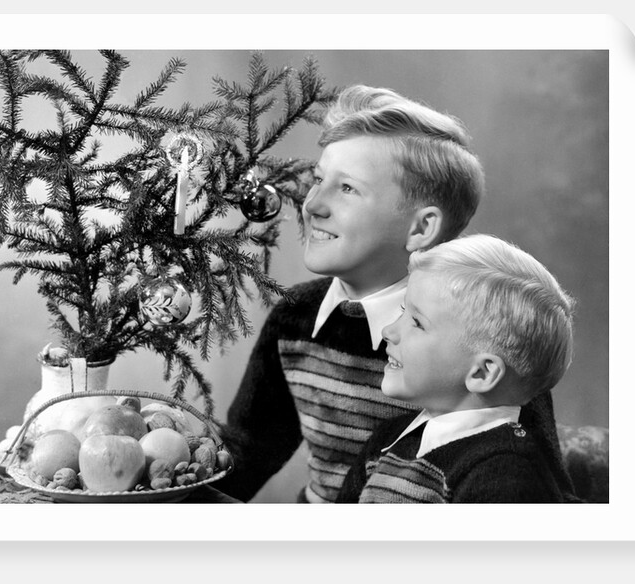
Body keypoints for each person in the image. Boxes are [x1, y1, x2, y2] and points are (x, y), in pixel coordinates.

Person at [216, 85, 566, 503]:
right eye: (319, 180)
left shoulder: (485, 334)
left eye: (348, 189)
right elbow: (247, 454)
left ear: (421, 228)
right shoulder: (294, 318)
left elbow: (535, 491)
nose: (311, 205)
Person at [336, 234, 575, 503]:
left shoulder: (506, 475)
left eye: (417, 322)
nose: (388, 331)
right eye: (402, 310)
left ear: (482, 373)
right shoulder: (387, 439)